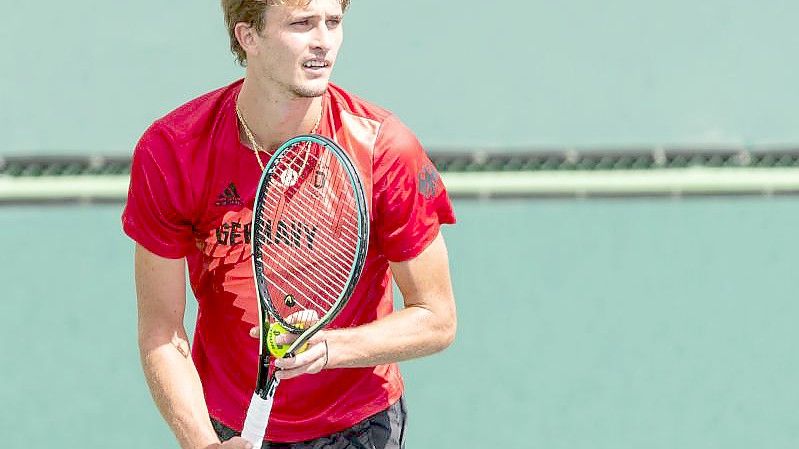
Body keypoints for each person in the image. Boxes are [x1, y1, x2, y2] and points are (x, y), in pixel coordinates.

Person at [122, 1, 457, 448]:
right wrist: (203, 443)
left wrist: (327, 349)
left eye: (333, 23)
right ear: (248, 38)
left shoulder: (385, 148)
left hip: (359, 425)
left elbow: (436, 318)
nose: (324, 42)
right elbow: (161, 329)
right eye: (302, 24)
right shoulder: (172, 150)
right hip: (227, 423)